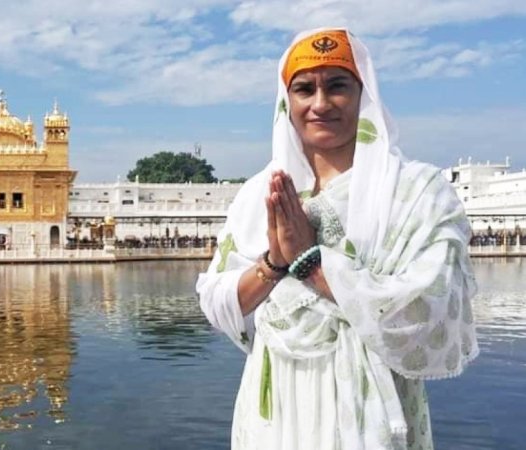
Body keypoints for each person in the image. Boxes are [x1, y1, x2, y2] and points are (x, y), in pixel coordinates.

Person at [196, 28, 478, 450]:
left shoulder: (415, 192)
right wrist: (274, 264)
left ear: (364, 95)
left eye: (337, 86)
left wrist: (312, 264)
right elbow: (217, 301)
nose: (320, 103)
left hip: (368, 418)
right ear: (286, 102)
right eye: (305, 89)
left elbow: (430, 308)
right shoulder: (260, 193)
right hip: (275, 414)